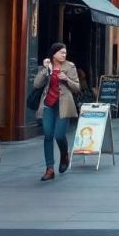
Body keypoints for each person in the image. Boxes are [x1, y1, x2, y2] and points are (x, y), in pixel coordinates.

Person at [32, 42, 80, 181]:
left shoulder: (70, 67)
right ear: (54, 54)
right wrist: (45, 69)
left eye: (65, 53)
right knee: (48, 135)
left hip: (63, 105)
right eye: (61, 52)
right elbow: (36, 84)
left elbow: (77, 87)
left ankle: (64, 155)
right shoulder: (48, 66)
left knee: (59, 135)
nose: (64, 55)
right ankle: (49, 169)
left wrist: (67, 79)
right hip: (48, 104)